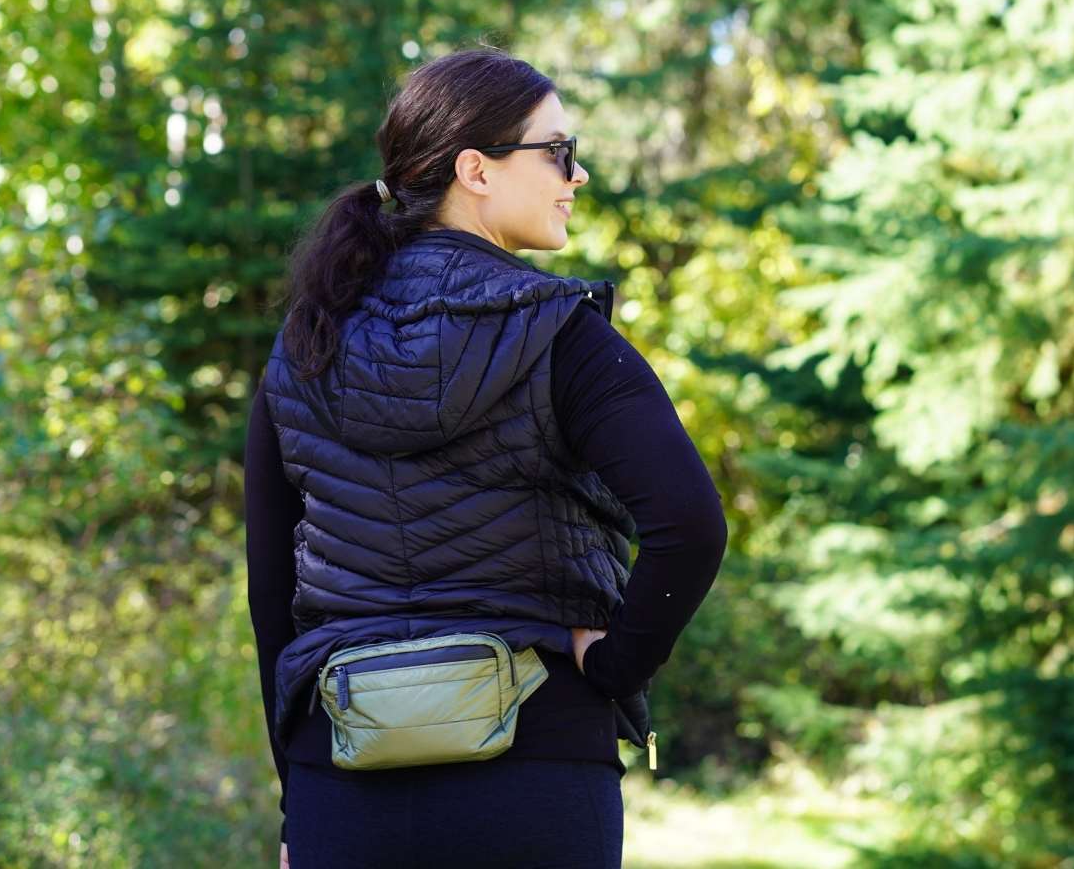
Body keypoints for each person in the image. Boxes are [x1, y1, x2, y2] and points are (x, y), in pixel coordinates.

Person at [244, 46, 728, 869]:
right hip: (533, 774)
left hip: (345, 777)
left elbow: (273, 596)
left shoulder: (305, 350)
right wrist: (613, 665)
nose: (576, 177)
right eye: (559, 152)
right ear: (475, 168)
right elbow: (689, 525)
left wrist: (299, 803)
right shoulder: (561, 335)